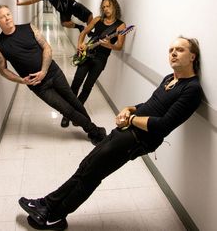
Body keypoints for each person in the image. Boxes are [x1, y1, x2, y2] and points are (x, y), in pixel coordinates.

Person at [19, 36, 203, 231]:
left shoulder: (192, 89)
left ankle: (54, 216)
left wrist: (130, 120)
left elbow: (163, 125)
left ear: (192, 56)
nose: (173, 53)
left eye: (180, 50)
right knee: (86, 167)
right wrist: (130, 109)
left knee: (91, 175)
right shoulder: (170, 78)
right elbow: (150, 105)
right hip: (127, 130)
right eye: (171, 49)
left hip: (135, 139)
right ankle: (47, 205)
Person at [0, 5, 106, 146]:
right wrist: (21, 80)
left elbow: (46, 47)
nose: (7, 18)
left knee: (73, 100)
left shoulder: (29, 27)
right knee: (66, 109)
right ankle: (93, 130)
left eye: (8, 14)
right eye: (2, 17)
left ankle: (90, 128)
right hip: (38, 86)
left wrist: (44, 71)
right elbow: (2, 69)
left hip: (53, 72)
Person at [60, 0, 126, 128]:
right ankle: (66, 115)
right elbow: (83, 32)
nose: (106, 9)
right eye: (104, 7)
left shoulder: (120, 26)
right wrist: (79, 44)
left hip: (101, 60)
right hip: (87, 55)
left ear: (114, 6)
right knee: (76, 83)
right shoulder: (97, 20)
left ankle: (76, 114)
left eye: (108, 6)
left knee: (87, 87)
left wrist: (109, 45)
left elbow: (119, 46)